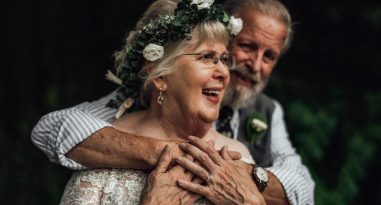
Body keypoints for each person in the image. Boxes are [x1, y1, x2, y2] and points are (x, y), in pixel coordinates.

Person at [32, 0, 314, 204]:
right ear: (158, 74)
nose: (252, 65)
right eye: (247, 47)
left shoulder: (266, 113)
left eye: (269, 56)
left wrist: (247, 181)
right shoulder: (127, 104)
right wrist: (175, 154)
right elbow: (55, 127)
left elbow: (302, 186)